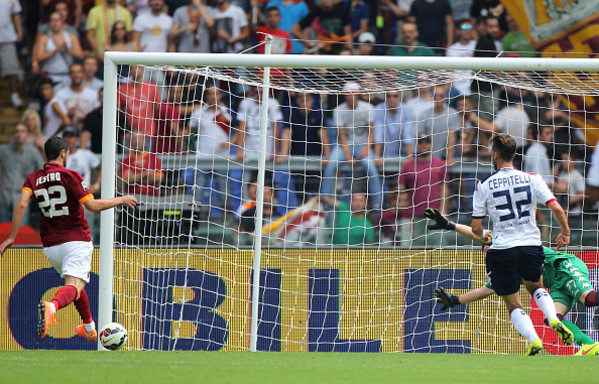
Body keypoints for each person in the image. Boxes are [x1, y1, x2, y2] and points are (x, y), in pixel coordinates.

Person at [0, 136, 137, 341]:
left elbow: (21, 205)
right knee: (74, 284)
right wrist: (121, 199)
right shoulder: (70, 175)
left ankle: (89, 327)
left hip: (51, 246)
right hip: (75, 239)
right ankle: (52, 306)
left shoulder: (33, 178)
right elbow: (91, 206)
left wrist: (12, 236)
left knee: (76, 285)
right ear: (64, 153)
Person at [425, 208, 599, 356]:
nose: (488, 250)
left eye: (488, 246)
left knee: (589, 299)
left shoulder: (509, 244)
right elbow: (486, 290)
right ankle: (589, 345)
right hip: (556, 284)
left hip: (564, 266)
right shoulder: (504, 269)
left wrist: (450, 225)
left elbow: (480, 234)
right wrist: (456, 300)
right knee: (553, 317)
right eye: (485, 251)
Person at [470, 133, 574, 355]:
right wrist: (565, 232)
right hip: (530, 245)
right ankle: (553, 318)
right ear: (515, 155)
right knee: (536, 287)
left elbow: (476, 227)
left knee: (513, 304)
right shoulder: (532, 178)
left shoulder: (484, 185)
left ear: (495, 154)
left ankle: (534, 339)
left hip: (502, 249)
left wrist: (482, 235)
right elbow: (555, 207)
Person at [321, 81, 382, 211]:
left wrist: (366, 148)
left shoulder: (368, 108)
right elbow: (341, 135)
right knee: (331, 164)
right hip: (344, 146)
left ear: (358, 95)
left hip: (362, 145)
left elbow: (371, 132)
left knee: (370, 166)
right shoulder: (338, 110)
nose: (351, 97)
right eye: (348, 94)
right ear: (344, 95)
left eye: (353, 94)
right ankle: (324, 199)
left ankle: (378, 202)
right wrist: (348, 156)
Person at [398, 134, 450, 246]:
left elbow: (444, 188)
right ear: (416, 145)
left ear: (431, 145)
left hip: (435, 214)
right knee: (415, 248)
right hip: (414, 215)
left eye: (426, 142)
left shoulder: (440, 164)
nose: (423, 145)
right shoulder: (408, 166)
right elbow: (400, 188)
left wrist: (444, 210)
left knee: (438, 245)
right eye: (420, 143)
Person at [0, 123, 45, 225]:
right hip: (4, 196)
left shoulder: (33, 152)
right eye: (16, 131)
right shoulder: (3, 150)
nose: (19, 134)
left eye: (22, 131)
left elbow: (43, 170)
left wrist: (34, 188)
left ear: (27, 135)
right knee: (2, 232)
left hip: (22, 198)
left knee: (20, 232)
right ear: (13, 135)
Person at [32, 11, 84, 88]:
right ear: (49, 23)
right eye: (52, 20)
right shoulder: (44, 38)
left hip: (68, 75)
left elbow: (80, 55)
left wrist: (67, 48)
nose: (54, 23)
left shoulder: (71, 36)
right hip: (49, 75)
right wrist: (55, 50)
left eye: (57, 20)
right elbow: (39, 57)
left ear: (62, 22)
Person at [55, 63, 100, 131]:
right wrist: (68, 115)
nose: (76, 75)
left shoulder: (93, 94)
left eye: (79, 72)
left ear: (83, 74)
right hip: (66, 134)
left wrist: (86, 117)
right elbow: (58, 117)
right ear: (69, 75)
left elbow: (97, 113)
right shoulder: (60, 94)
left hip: (87, 134)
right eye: (73, 72)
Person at [0, 0, 24, 108]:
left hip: (7, 37)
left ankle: (15, 96)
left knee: (11, 68)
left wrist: (19, 30)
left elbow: (16, 14)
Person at [445, 20, 476, 96]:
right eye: (464, 28)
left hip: (475, 88)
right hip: (457, 89)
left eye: (470, 27)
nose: (468, 30)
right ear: (458, 31)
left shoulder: (477, 46)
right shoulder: (451, 50)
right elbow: (449, 73)